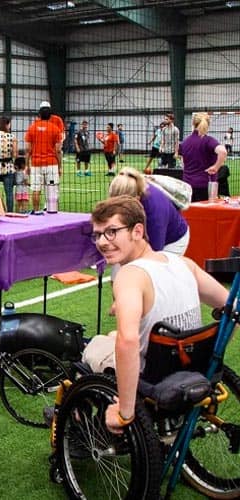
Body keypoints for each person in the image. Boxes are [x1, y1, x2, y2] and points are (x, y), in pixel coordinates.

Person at [81, 196, 227, 434]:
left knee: (93, 347)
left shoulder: (129, 276)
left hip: (153, 373)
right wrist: (213, 354)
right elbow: (231, 308)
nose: (102, 242)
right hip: (191, 361)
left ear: (137, 231)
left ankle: (83, 425)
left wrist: (125, 413)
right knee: (112, 333)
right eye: (97, 234)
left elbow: (128, 341)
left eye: (111, 232)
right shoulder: (183, 263)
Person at [108, 167, 189, 254]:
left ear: (137, 198)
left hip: (172, 240)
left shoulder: (155, 211)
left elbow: (154, 251)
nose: (118, 209)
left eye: (123, 205)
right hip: (145, 228)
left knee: (153, 265)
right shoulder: (130, 187)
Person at [180, 112, 228, 202]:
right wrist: (216, 167)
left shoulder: (185, 142)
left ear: (193, 124)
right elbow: (223, 151)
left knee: (191, 214)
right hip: (206, 186)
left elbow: (183, 163)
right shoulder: (208, 141)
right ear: (208, 124)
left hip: (187, 186)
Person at [25, 102, 63, 215]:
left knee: (36, 189)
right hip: (51, 164)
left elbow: (28, 150)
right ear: (50, 114)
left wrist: (27, 165)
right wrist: (60, 166)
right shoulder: (55, 129)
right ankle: (53, 212)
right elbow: (58, 150)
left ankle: (36, 211)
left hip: (36, 163)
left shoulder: (32, 128)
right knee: (52, 189)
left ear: (39, 114)